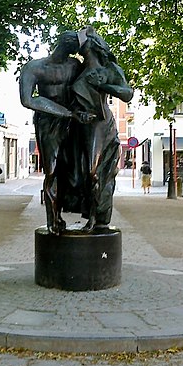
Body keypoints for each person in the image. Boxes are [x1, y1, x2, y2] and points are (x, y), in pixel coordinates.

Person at [19, 31, 94, 234]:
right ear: (63, 43)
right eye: (74, 45)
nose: (76, 49)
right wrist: (67, 113)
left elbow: (90, 86)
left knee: (78, 169)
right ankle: (53, 219)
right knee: (52, 171)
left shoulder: (75, 66)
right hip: (48, 122)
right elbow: (28, 100)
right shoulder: (34, 68)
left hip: (73, 122)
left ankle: (85, 210)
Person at [70, 26, 134, 229]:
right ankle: (90, 214)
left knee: (94, 171)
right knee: (81, 172)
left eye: (84, 41)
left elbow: (127, 94)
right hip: (81, 127)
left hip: (101, 124)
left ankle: (98, 216)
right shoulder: (77, 70)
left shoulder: (109, 70)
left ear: (94, 45)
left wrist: (104, 85)